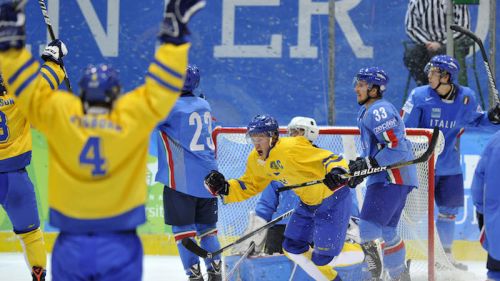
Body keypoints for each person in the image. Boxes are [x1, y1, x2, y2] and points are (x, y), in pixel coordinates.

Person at [0, 0, 205, 279]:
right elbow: (164, 85)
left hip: (72, 242)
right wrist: (174, 39)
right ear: (117, 92)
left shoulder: (61, 114)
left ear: (83, 93)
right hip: (120, 242)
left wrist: (11, 44)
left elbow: (26, 88)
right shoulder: (130, 115)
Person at [204, 114, 363, 281]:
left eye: (261, 138)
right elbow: (250, 184)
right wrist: (225, 188)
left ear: (273, 137)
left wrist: (337, 171)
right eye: (253, 138)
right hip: (309, 204)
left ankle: (365, 251)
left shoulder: (292, 147)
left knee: (324, 258)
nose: (256, 143)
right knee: (292, 247)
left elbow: (331, 158)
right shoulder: (256, 159)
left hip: (332, 200)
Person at [402, 54, 500, 271]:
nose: (429, 75)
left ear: (447, 77)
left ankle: (443, 259)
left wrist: (493, 117)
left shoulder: (466, 97)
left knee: (449, 211)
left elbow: (476, 121)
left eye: (434, 72)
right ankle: (400, 257)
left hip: (449, 166)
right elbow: (405, 131)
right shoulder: (419, 96)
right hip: (421, 166)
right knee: (410, 214)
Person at [349, 67, 417, 281]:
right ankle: (399, 275)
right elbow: (376, 149)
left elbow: (397, 148)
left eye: (361, 85)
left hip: (391, 178)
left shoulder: (380, 111)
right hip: (394, 178)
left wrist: (370, 163)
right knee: (387, 230)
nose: (356, 89)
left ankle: (373, 275)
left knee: (367, 228)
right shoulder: (368, 110)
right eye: (357, 84)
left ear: (374, 88)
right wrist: (363, 166)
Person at [155, 65, 222, 281]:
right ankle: (216, 271)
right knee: (208, 230)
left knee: (183, 231)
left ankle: (194, 275)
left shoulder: (168, 107)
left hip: (181, 182)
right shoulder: (204, 104)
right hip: (210, 179)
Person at [233, 116, 319, 255]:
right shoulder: (277, 163)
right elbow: (266, 204)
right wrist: (257, 229)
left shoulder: (321, 161)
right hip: (280, 228)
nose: (294, 135)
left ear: (311, 133)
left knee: (312, 271)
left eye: (299, 131)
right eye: (291, 131)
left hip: (312, 226)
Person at [0, 73, 47, 281]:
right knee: (31, 235)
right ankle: (39, 275)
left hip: (14, 177)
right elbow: (45, 82)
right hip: (14, 178)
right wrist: (55, 63)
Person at [404, 0, 471, 86]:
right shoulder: (416, 2)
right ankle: (427, 87)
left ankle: (443, 87)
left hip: (453, 44)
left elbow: (463, 28)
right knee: (411, 55)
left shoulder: (457, 2)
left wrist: (442, 44)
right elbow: (411, 27)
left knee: (441, 57)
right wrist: (427, 43)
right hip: (426, 45)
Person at [471, 130, 500, 281]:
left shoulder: (494, 141)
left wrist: (481, 210)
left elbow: (478, 179)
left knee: (495, 272)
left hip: (496, 222)